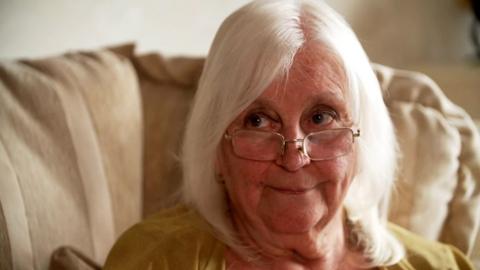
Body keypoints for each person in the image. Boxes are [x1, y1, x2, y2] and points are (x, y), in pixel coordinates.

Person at [104, 0, 474, 269]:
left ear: (362, 138)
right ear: (215, 145)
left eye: (320, 117)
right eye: (258, 121)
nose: (294, 158)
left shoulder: (439, 265)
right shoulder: (156, 259)